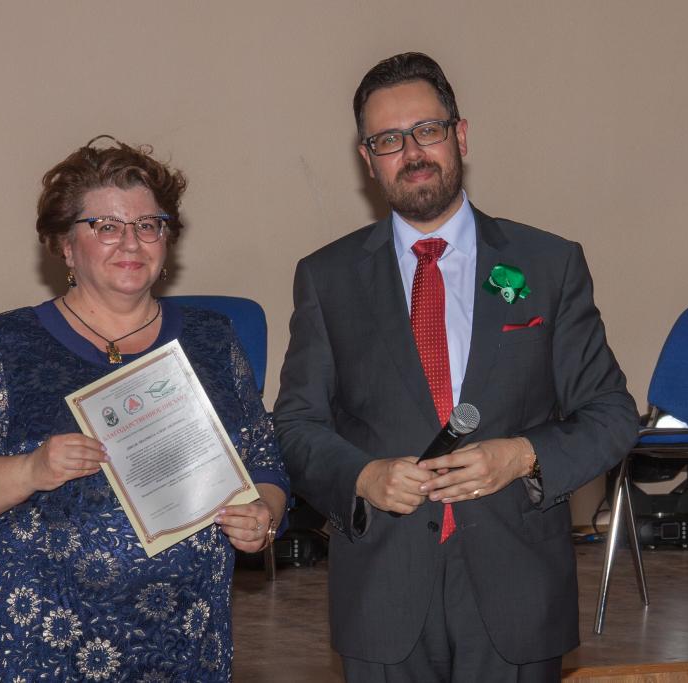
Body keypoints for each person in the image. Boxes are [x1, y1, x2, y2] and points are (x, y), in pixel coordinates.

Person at [274, 53, 639, 681]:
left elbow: (612, 414)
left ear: (460, 135)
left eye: (428, 130)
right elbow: (296, 425)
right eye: (389, 140)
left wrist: (522, 456)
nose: (412, 152)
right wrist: (362, 478)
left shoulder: (548, 265)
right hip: (383, 591)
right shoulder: (326, 278)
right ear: (367, 159)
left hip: (516, 586)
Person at [0, 136, 288, 682]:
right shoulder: (10, 343)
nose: (131, 242)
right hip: (40, 644)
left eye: (148, 224)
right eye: (106, 226)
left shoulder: (212, 340)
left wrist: (263, 518)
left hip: (185, 642)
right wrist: (31, 469)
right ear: (65, 245)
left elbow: (264, 464)